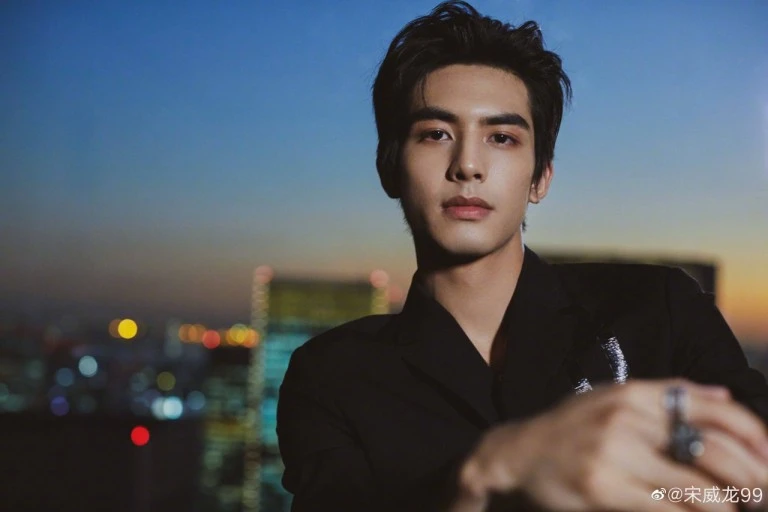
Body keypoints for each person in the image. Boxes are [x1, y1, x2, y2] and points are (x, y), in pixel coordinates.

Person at [276, 2, 768, 511]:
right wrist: (484, 475)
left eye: (502, 137)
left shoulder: (658, 307)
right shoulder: (332, 374)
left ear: (540, 178)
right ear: (390, 167)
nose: (468, 165)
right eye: (436, 134)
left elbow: (757, 482)